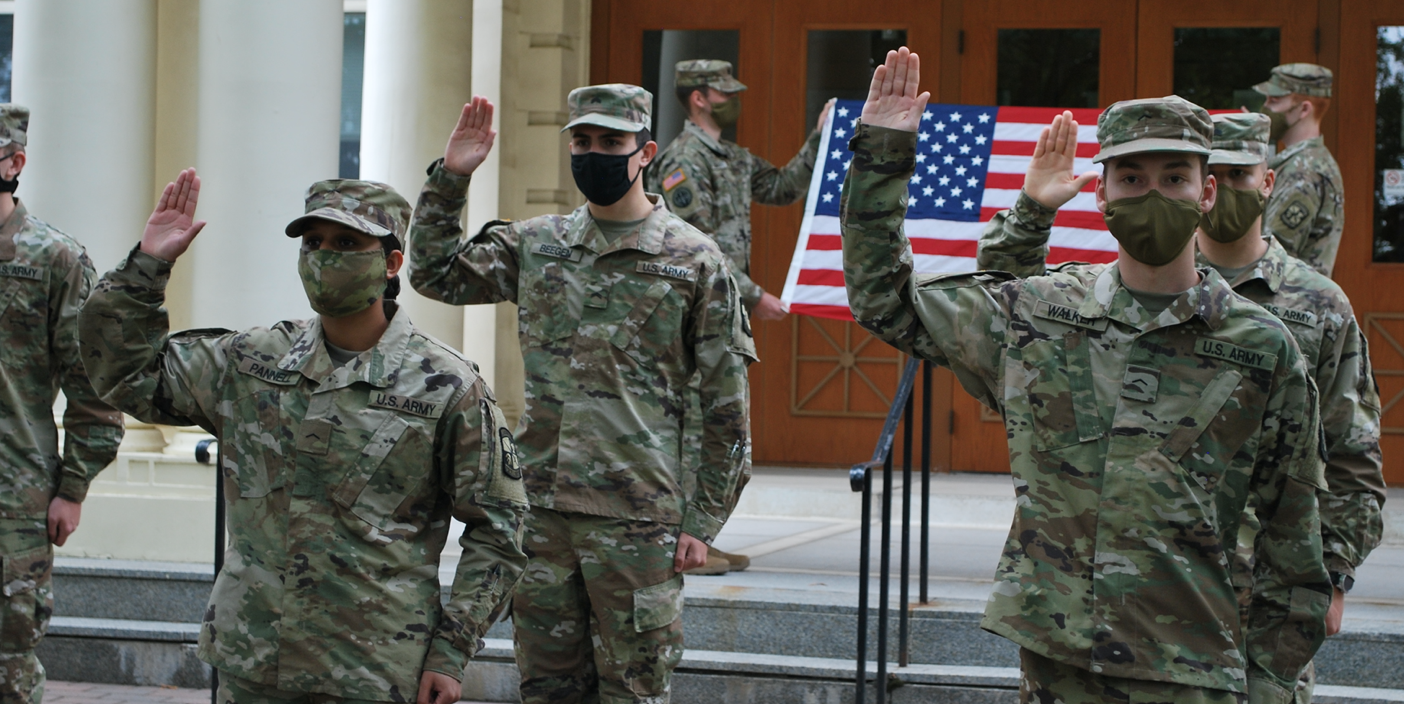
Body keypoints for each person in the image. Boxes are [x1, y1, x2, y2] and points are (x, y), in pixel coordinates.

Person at [844, 48, 1330, 704]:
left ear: (1206, 191)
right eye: (1131, 178)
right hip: (1059, 670)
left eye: (1173, 177)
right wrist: (882, 154)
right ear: (1100, 193)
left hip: (1198, 674)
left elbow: (1294, 539)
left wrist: (1268, 686)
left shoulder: (1262, 346)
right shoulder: (1039, 313)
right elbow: (884, 295)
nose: (1151, 194)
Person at [979, 109, 1385, 704]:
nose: (1219, 192)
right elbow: (1000, 316)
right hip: (1146, 592)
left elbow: (1351, 453)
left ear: (1262, 182)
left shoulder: (1316, 306)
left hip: (1258, 591)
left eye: (1240, 175)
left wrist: (1334, 575)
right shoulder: (1133, 288)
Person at [77, 173, 528, 704]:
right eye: (312, 243)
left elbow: (500, 529)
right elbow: (124, 373)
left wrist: (452, 653)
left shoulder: (448, 385)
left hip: (374, 671)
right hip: (253, 663)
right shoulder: (251, 361)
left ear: (391, 262)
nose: (325, 257)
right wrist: (148, 266)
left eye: (346, 243)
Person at [407, 85, 755, 703]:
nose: (594, 153)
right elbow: (435, 274)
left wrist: (703, 520)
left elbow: (726, 405)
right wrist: (451, 179)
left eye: (611, 143)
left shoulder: (696, 260)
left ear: (644, 152)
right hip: (539, 515)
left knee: (633, 691)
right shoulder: (537, 245)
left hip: (639, 522)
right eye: (582, 141)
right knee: (547, 689)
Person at [0, 104, 126, 704]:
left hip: (13, 497)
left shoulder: (56, 260)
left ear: (14, 163)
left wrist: (73, 488)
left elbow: (94, 388)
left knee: (7, 655)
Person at [646, 59, 832, 322]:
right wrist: (754, 296)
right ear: (699, 98)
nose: (733, 99)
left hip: (722, 302)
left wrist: (819, 136)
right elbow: (696, 244)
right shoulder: (684, 161)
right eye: (725, 93)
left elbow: (782, 189)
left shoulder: (732, 157)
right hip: (689, 306)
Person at [1253, 63, 1343, 277]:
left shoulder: (1303, 172)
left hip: (1288, 304)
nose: (1265, 108)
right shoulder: (1300, 162)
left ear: (1304, 109)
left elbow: (1272, 255)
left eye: (1274, 101)